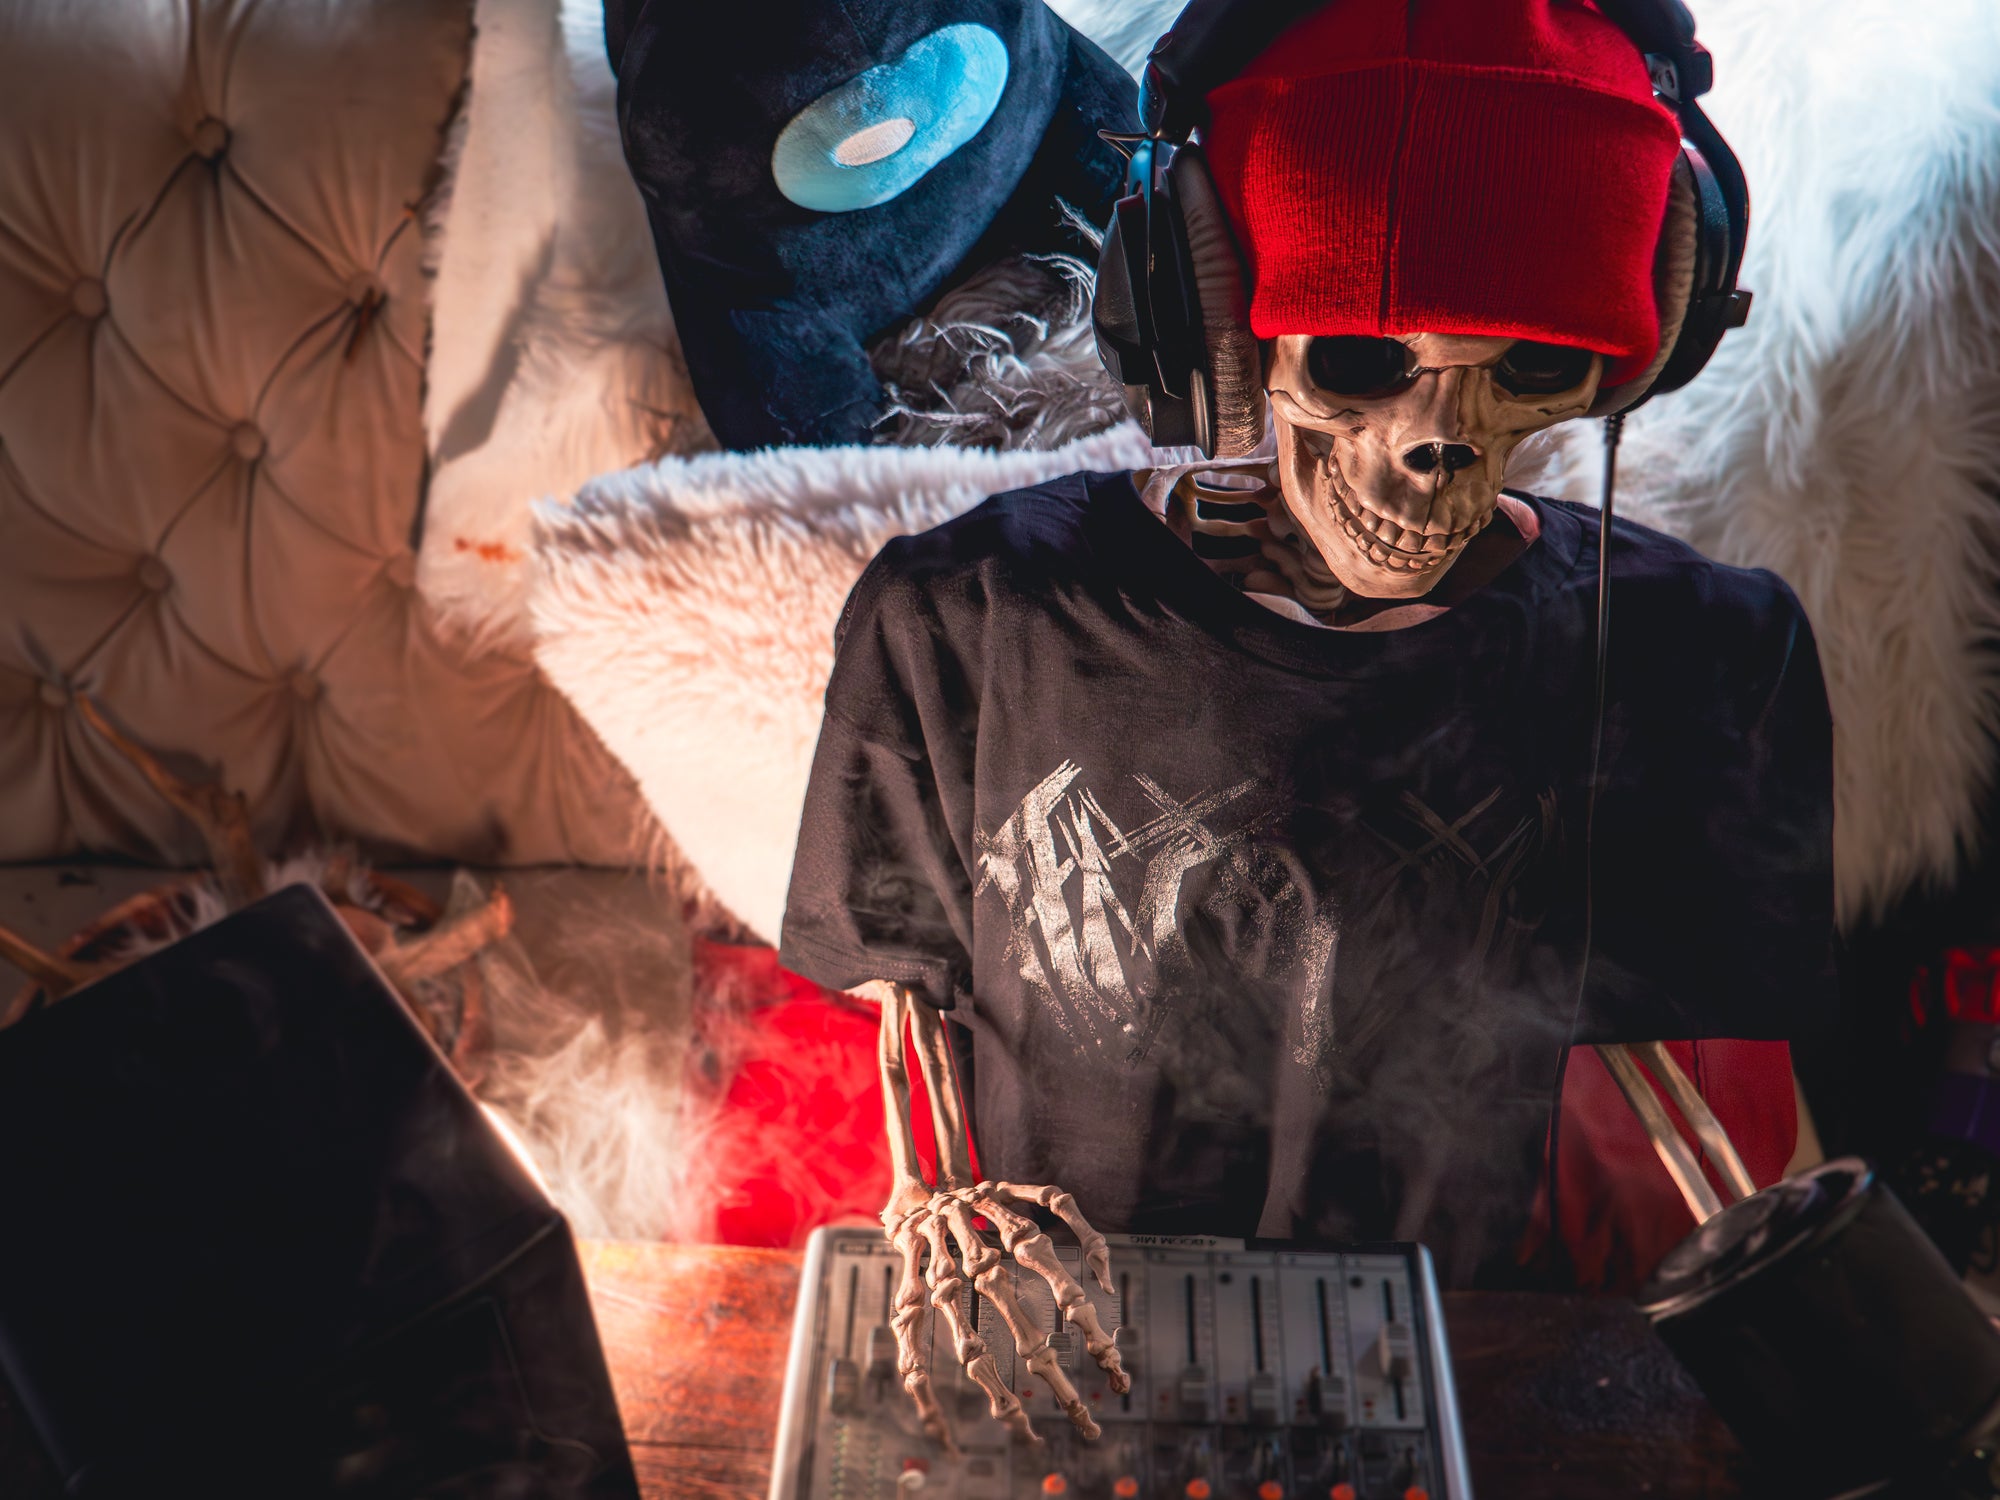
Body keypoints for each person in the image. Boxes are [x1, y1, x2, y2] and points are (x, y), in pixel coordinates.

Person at [779, 0, 1835, 1290]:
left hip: (1477, 1356)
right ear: (1200, 316)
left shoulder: (1705, 659)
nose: (1436, 442)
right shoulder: (967, 618)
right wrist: (936, 1210)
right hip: (1081, 1339)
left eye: (1533, 365)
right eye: (1359, 357)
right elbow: (906, 994)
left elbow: (1704, 1100)